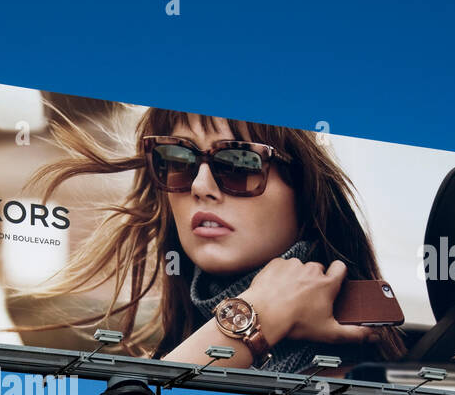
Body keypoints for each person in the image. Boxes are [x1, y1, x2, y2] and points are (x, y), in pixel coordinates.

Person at [27, 108, 407, 373]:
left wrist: (253, 318)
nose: (200, 186)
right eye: (177, 159)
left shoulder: (344, 378)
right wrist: (261, 313)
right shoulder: (183, 340)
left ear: (304, 192)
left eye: (238, 164)